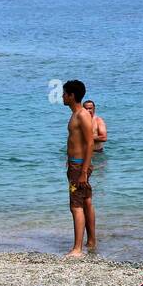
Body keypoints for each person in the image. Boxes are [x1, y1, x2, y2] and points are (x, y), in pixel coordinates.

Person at [62, 79, 96, 258]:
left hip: (79, 166)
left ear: (71, 95)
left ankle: (77, 249)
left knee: (76, 206)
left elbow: (90, 142)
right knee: (86, 201)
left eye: (64, 93)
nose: (62, 96)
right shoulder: (76, 114)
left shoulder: (82, 114)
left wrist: (82, 171)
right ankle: (91, 241)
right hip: (76, 164)